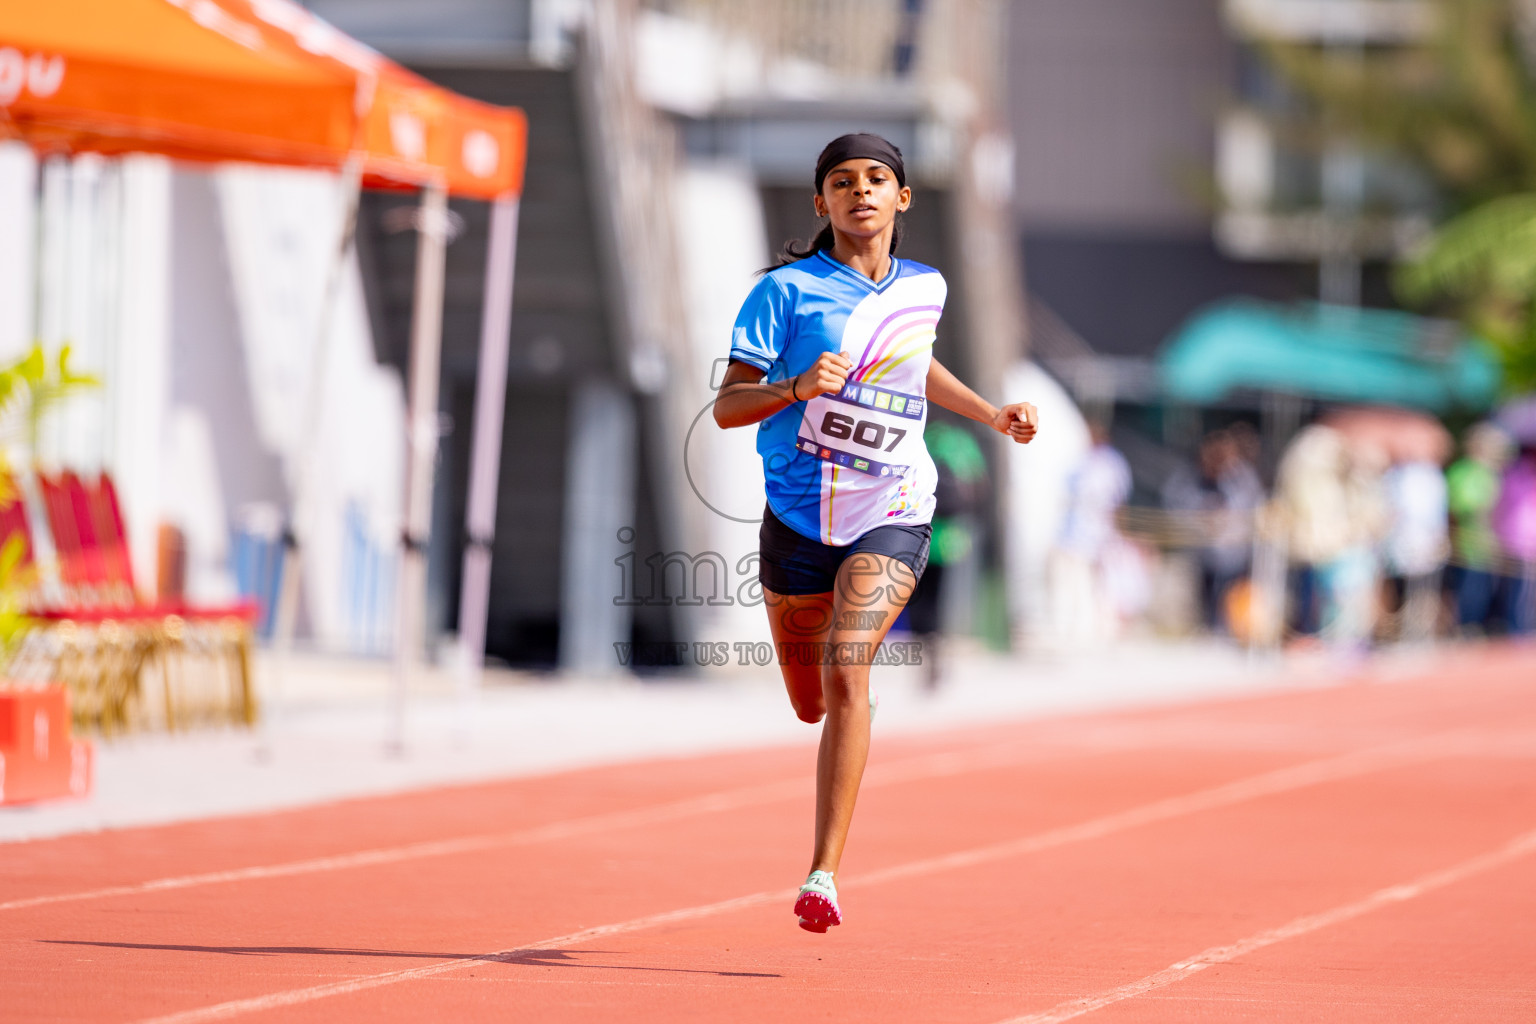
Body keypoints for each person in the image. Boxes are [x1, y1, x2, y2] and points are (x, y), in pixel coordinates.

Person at [712, 134, 1039, 932]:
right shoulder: (784, 293)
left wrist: (989, 411)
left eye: (878, 179)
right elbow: (726, 407)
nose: (862, 191)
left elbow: (913, 362)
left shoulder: (925, 287)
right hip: (796, 517)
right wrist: (792, 386)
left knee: (848, 668)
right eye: (842, 182)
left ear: (903, 198)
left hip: (894, 507)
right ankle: (821, 716)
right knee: (806, 702)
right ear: (821, 204)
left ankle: (822, 874)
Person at [1162, 427, 1264, 633]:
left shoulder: (1242, 478)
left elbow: (1252, 507)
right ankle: (1210, 628)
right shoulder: (1192, 477)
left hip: (1235, 550)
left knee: (1231, 594)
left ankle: (1228, 629)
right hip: (1205, 551)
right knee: (1206, 595)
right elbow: (1176, 504)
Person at [1445, 423, 1511, 633]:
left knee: (1485, 590)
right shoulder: (1465, 471)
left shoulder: (1492, 473)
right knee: (1469, 590)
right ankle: (1466, 628)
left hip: (1488, 545)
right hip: (1469, 543)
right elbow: (1463, 508)